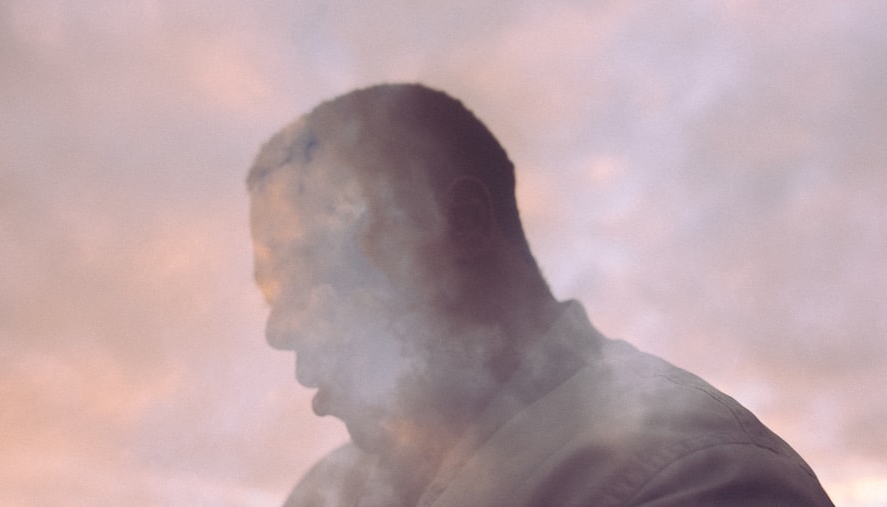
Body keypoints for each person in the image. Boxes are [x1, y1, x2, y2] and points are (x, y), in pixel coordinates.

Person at [247, 84, 834, 506]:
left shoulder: (700, 476)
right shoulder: (331, 493)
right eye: (272, 290)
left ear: (462, 228)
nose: (278, 328)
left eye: (309, 266)